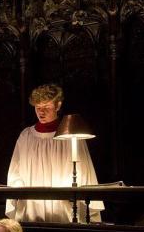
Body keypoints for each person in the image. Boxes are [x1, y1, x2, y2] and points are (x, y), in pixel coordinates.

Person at [6, 84, 104, 223]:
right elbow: (14, 171)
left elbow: (84, 171)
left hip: (64, 206)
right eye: (38, 107)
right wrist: (20, 189)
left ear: (58, 106)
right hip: (32, 206)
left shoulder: (71, 135)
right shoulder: (26, 136)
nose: (41, 112)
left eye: (46, 107)